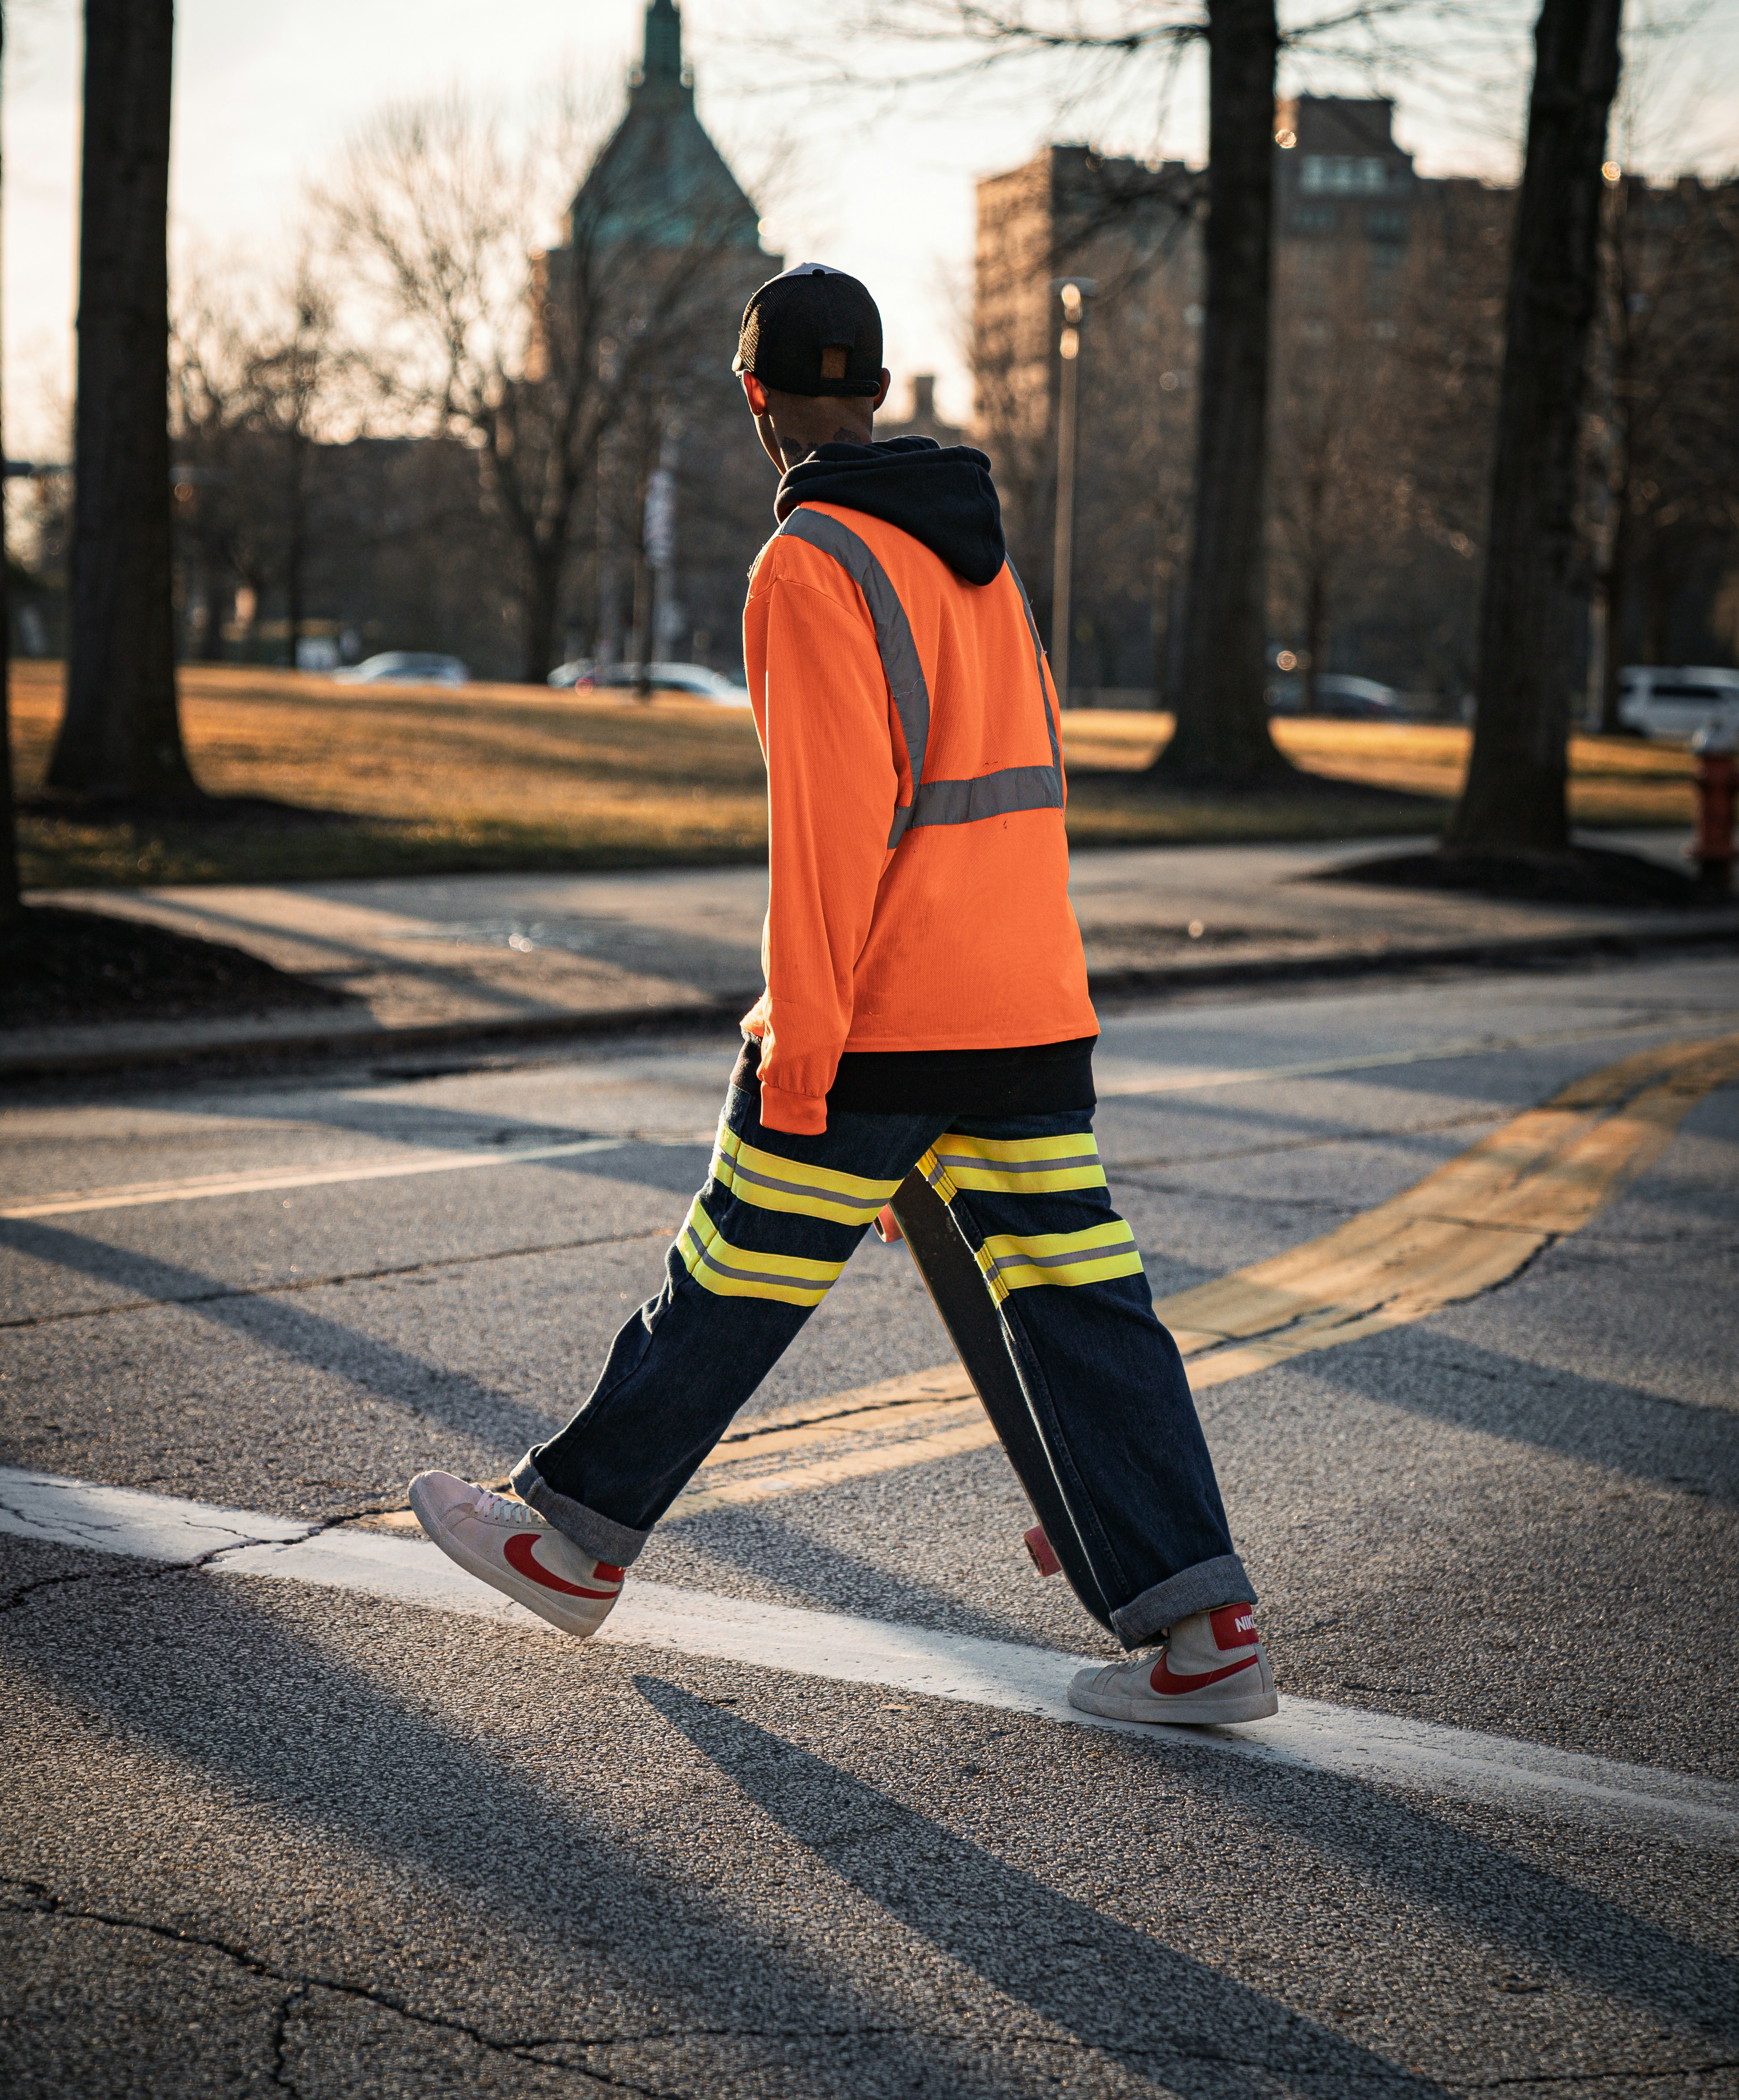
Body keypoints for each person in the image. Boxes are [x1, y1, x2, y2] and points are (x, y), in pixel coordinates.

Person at [410, 263, 1277, 1727]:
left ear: (756, 401)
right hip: (1026, 1009)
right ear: (876, 388)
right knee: (1083, 1303)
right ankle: (1206, 1630)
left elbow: (831, 834)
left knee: (732, 1271)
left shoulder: (811, 561)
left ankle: (567, 1543)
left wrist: (805, 1057)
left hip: (890, 1013)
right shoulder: (982, 555)